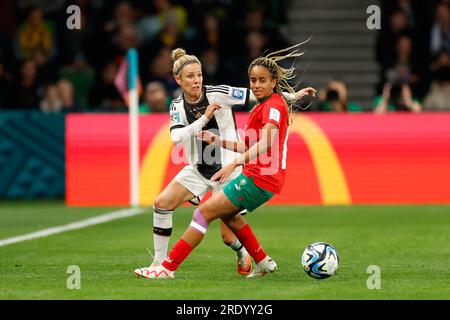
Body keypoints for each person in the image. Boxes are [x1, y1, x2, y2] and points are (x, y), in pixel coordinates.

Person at [134, 44, 316, 279]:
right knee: (162, 202)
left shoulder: (221, 93)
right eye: (190, 76)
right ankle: (160, 264)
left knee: (226, 234)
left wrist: (293, 96)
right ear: (178, 79)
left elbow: (260, 94)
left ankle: (243, 254)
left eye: (199, 74)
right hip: (200, 169)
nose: (196, 80)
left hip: (231, 169)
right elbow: (177, 137)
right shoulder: (177, 106)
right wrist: (207, 124)